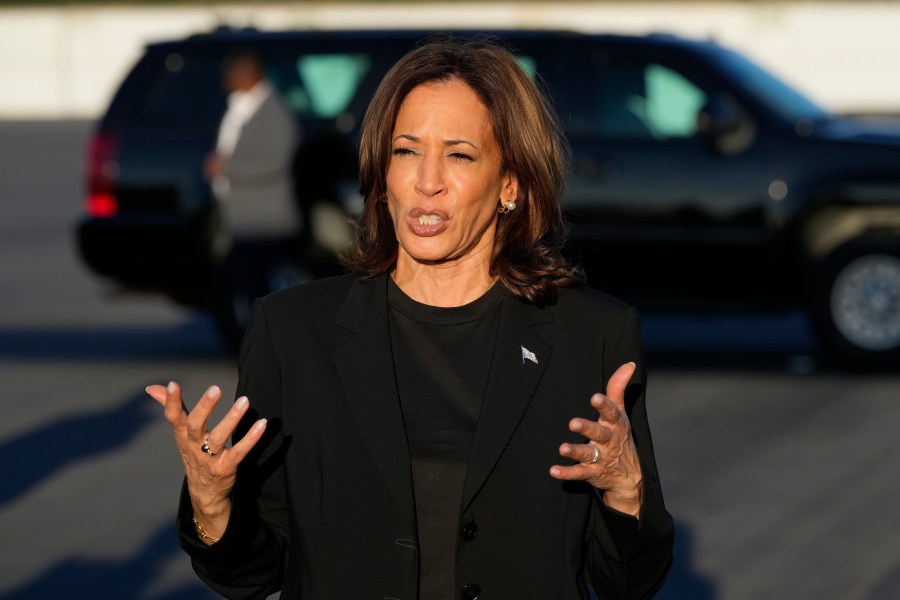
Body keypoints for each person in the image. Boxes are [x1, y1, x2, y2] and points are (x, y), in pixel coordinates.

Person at [147, 37, 674, 600]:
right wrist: (210, 502)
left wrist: (625, 489)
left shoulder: (590, 335)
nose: (427, 180)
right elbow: (252, 575)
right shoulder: (293, 332)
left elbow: (627, 582)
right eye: (405, 151)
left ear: (511, 186)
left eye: (460, 154)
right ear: (382, 174)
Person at [205, 49, 301, 341]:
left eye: (231, 73)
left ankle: (266, 344)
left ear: (247, 75)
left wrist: (227, 167)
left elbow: (277, 160)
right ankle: (261, 341)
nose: (225, 79)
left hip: (263, 220)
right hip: (243, 215)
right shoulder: (243, 106)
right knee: (247, 284)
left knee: (260, 286)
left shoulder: (273, 110)